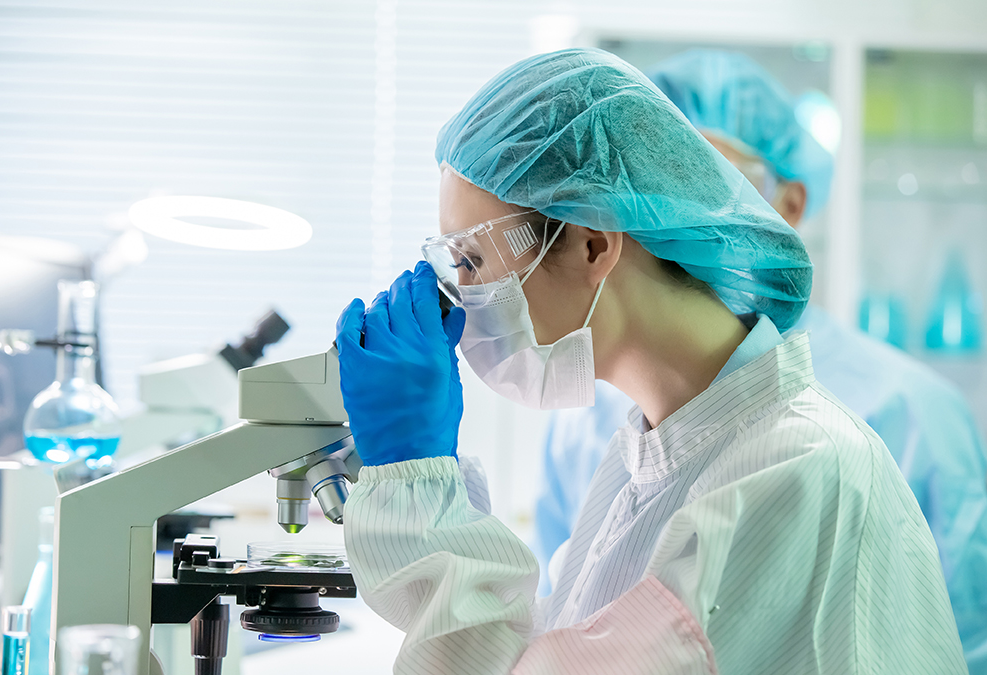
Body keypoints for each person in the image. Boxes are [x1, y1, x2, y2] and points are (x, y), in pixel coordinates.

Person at [335, 48, 966, 674]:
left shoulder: (793, 473)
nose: (458, 299)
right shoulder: (649, 463)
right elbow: (547, 654)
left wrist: (418, 489)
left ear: (592, 244)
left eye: (471, 261)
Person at [533, 49, 987, 673]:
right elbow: (562, 632)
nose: (672, 210)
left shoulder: (909, 415)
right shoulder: (592, 416)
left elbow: (957, 646)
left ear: (791, 205)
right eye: (658, 177)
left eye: (708, 174)